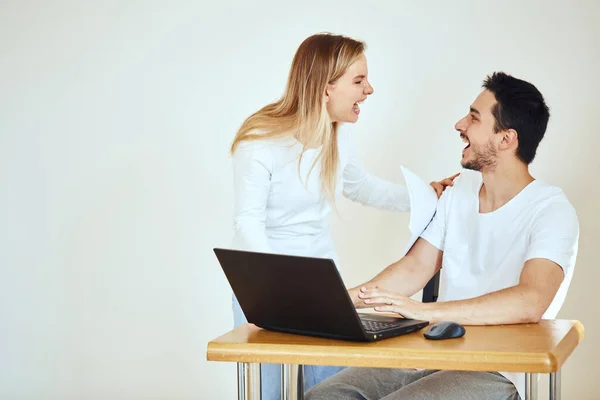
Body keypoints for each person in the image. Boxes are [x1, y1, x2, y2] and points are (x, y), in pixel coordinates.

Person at [305, 72, 580, 400]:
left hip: (497, 369)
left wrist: (425, 312)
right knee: (325, 396)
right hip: (435, 351)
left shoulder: (551, 210)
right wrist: (332, 305)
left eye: (474, 118)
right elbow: (413, 269)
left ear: (506, 139)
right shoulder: (459, 192)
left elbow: (531, 300)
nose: (460, 124)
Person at [229, 33, 457, 400]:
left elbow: (360, 186)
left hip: (323, 285)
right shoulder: (260, 140)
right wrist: (280, 293)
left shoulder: (338, 134)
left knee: (328, 387)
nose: (369, 89)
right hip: (267, 287)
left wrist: (425, 196)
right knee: (269, 392)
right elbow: (248, 222)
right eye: (358, 80)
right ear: (324, 88)